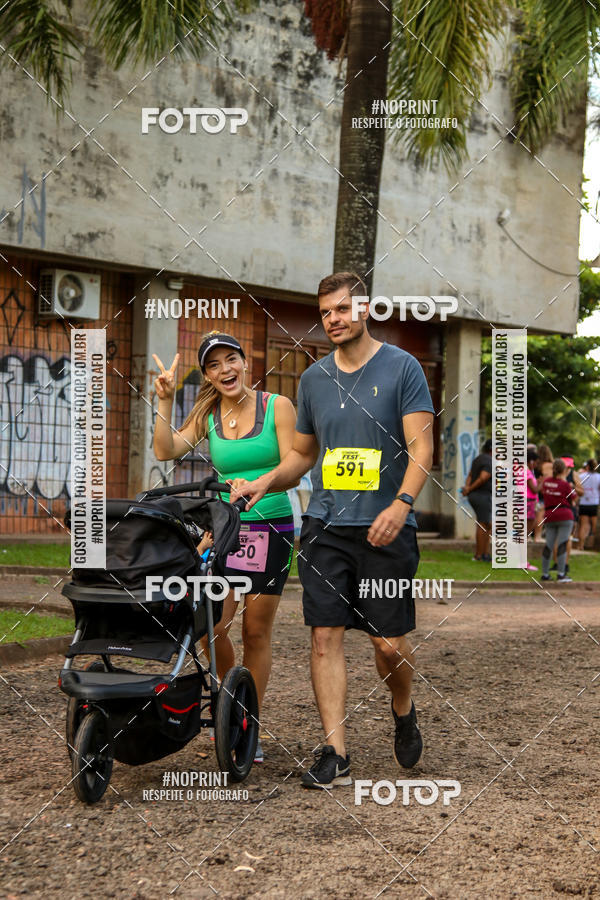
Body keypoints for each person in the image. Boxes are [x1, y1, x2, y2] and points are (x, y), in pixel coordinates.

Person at [232, 272, 434, 788]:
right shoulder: (314, 379)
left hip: (386, 527)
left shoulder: (403, 367)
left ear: (364, 309)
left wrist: (402, 502)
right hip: (325, 526)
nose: (334, 320)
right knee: (324, 637)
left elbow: (421, 449)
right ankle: (335, 752)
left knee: (388, 646)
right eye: (326, 313)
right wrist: (263, 482)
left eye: (342, 309)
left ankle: (404, 706)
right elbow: (302, 454)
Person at [152, 332, 298, 764]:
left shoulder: (278, 407)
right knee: (209, 627)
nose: (224, 370)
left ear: (245, 361)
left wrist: (260, 483)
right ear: (209, 377)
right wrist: (164, 399)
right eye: (213, 366)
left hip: (271, 528)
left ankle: (245, 722)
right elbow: (165, 450)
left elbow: (295, 466)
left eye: (230, 359)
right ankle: (231, 695)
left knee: (255, 630)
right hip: (225, 530)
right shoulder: (209, 414)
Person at [539, 458, 575, 582]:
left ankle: (545, 573)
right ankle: (561, 574)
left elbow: (544, 493)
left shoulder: (546, 482)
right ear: (564, 470)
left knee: (548, 544)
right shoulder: (565, 485)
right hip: (564, 515)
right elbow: (572, 500)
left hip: (549, 515)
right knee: (562, 544)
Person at [461, 438, 492, 562]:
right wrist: (470, 489)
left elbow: (469, 475)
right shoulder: (490, 460)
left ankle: (485, 553)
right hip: (482, 495)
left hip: (476, 495)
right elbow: (483, 478)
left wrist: (467, 487)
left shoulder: (478, 459)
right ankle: (479, 555)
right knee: (483, 524)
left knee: (486, 524)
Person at [578, 459, 600, 549]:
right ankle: (594, 545)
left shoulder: (581, 476)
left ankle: (581, 545)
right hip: (594, 503)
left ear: (587, 466)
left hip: (583, 502)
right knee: (594, 526)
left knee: (583, 525)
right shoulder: (598, 477)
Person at [534, 444, 554, 541]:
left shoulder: (535, 465)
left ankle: (531, 536)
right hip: (544, 493)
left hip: (534, 491)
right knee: (541, 515)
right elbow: (549, 479)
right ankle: (538, 536)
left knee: (535, 514)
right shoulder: (549, 466)